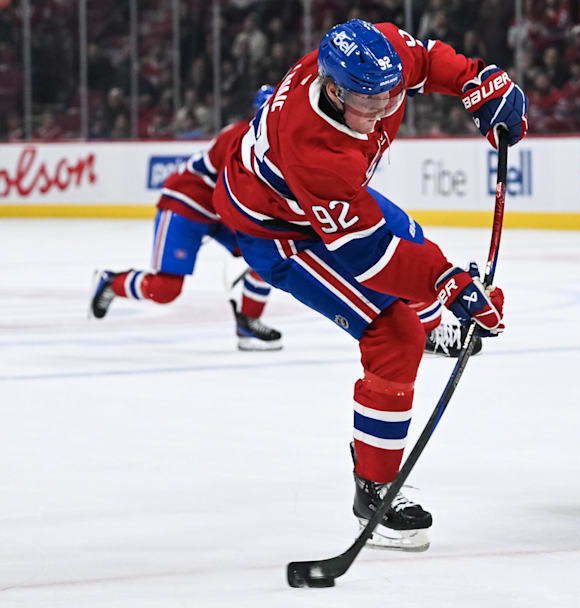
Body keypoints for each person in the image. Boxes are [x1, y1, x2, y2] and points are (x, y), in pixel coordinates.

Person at [211, 19, 527, 551]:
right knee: (392, 336)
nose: (383, 107)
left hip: (324, 204)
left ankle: (430, 327)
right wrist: (452, 286)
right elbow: (371, 258)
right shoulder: (315, 149)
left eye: (390, 93)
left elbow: (424, 61)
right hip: (280, 230)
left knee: (413, 239)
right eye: (369, 99)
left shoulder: (378, 59)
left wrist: (480, 81)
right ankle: (374, 491)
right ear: (333, 90)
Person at [90, 86, 285, 351]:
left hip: (219, 210)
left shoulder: (282, 148)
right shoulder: (240, 138)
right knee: (165, 289)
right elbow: (237, 190)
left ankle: (248, 323)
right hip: (187, 203)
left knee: (269, 257)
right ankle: (111, 282)